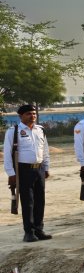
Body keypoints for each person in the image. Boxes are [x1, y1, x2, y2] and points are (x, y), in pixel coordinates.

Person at [5, 104, 51, 242]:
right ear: (21, 116)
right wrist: (11, 173)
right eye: (29, 114)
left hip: (39, 169)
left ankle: (39, 229)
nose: (32, 116)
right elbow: (8, 154)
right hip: (23, 170)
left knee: (40, 201)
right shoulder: (14, 131)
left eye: (34, 113)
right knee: (28, 202)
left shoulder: (40, 130)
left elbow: (45, 150)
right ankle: (29, 232)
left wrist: (46, 167)